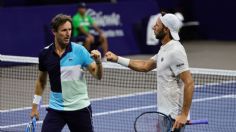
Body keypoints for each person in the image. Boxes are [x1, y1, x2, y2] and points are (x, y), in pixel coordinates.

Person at [105, 12, 194, 132]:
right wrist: (117, 59)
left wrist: (183, 115)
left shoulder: (175, 51)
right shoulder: (165, 48)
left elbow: (189, 82)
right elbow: (145, 66)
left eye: (157, 25)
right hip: (164, 114)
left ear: (166, 29)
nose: (153, 27)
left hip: (174, 117)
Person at [30, 14, 103, 132]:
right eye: (64, 30)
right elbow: (41, 81)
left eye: (70, 30)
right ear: (54, 32)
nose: (68, 33)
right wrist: (35, 107)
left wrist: (99, 62)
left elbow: (98, 76)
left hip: (79, 108)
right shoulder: (45, 54)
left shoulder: (80, 50)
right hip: (56, 109)